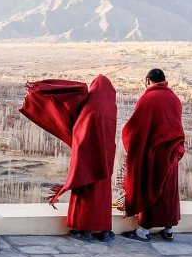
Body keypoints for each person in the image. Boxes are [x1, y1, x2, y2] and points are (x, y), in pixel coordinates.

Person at [20, 75, 118, 242]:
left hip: (88, 159)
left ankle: (85, 231)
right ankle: (105, 232)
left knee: (86, 193)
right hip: (106, 160)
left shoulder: (90, 108)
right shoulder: (111, 108)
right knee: (103, 194)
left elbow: (80, 132)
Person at [121, 68, 186, 242]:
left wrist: (132, 145)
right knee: (168, 191)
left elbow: (135, 129)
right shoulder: (174, 99)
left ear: (148, 80)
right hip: (172, 153)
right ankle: (169, 229)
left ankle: (143, 231)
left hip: (153, 153)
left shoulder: (147, 99)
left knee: (150, 187)